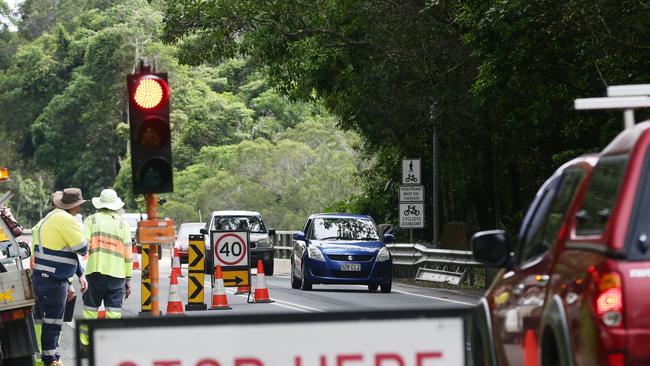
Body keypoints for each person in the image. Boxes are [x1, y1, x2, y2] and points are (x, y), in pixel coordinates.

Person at [32, 188, 88, 366]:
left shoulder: (50, 217)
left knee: (48, 321)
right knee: (53, 322)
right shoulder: (66, 219)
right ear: (76, 206)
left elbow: (64, 252)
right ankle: (51, 360)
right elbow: (81, 247)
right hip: (53, 281)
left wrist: (77, 276)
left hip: (45, 277)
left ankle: (51, 357)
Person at [79, 189, 132, 353]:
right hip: (117, 274)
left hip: (95, 271)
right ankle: (111, 345)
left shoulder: (92, 220)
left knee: (90, 310)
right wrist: (128, 279)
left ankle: (85, 345)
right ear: (115, 206)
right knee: (114, 312)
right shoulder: (123, 225)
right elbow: (128, 254)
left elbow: (83, 246)